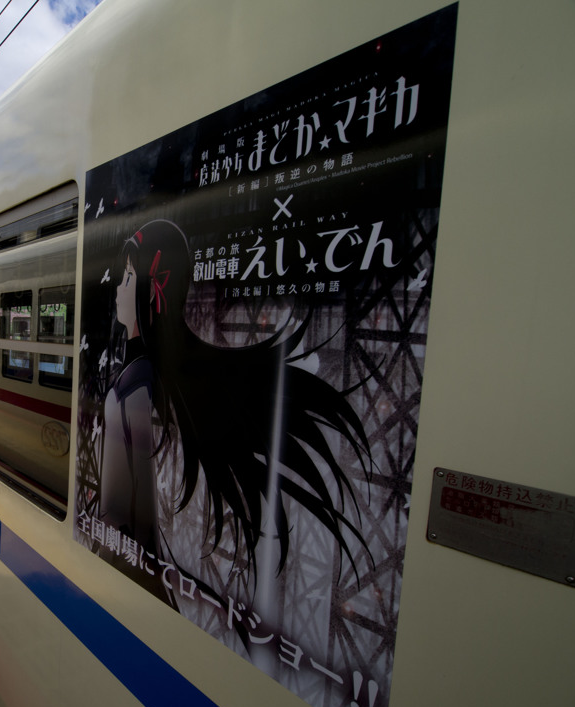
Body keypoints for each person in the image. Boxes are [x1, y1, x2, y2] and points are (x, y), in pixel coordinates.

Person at [94, 219, 373, 619]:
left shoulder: (129, 390)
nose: (119, 289)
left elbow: (123, 519)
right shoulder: (159, 382)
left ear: (149, 292)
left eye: (127, 277)